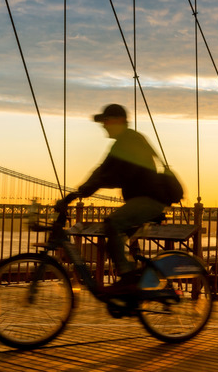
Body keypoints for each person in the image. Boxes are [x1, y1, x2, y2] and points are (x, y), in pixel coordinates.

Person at [55, 104, 167, 295]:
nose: (104, 126)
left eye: (107, 121)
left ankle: (128, 278)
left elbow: (114, 174)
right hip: (140, 199)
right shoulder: (120, 143)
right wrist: (77, 193)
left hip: (150, 200)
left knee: (113, 224)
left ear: (119, 121)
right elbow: (102, 170)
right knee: (111, 241)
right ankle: (131, 280)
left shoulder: (130, 141)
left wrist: (82, 192)